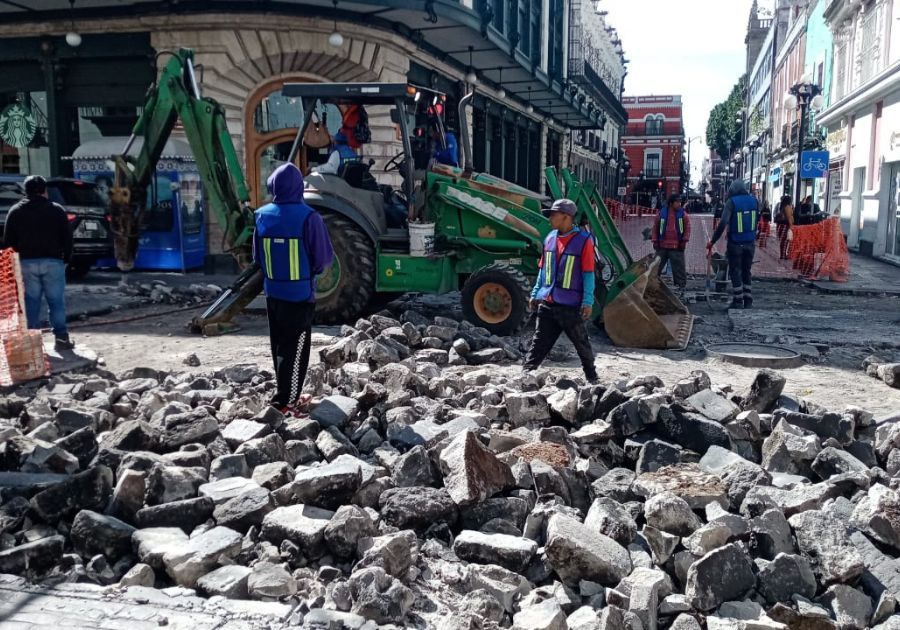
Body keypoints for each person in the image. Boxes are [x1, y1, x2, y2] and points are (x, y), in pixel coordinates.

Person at [254, 163, 334, 415]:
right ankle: (287, 402)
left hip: (273, 293)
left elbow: (257, 257)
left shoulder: (261, 215)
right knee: (296, 349)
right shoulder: (309, 217)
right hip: (300, 296)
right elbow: (323, 258)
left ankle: (284, 394)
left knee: (279, 345)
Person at [523, 198, 598, 383]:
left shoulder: (584, 241)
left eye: (553, 215)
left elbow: (588, 273)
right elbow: (543, 269)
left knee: (581, 343)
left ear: (566, 217)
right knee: (539, 342)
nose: (549, 219)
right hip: (548, 301)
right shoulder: (549, 238)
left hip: (570, 306)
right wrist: (536, 293)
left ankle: (592, 378)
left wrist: (587, 301)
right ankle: (526, 375)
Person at [2, 175, 74, 350]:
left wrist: (12, 266)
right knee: (56, 302)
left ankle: (32, 344)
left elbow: (8, 242)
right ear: (45, 191)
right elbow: (67, 238)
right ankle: (61, 339)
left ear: (25, 191)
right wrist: (66, 259)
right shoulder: (57, 210)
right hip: (53, 262)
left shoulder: (15, 211)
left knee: (31, 303)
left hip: (26, 263)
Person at [707, 180, 758, 309]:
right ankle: (748, 299)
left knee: (735, 271)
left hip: (735, 243)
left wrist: (713, 241)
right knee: (746, 271)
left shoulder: (732, 202)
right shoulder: (755, 201)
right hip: (750, 242)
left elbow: (723, 223)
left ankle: (738, 300)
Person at [651, 194, 691, 294]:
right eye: (677, 202)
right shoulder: (661, 213)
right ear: (671, 203)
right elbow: (655, 227)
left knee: (679, 268)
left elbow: (687, 228)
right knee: (656, 267)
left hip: (677, 246)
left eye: (680, 202)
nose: (679, 204)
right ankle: (651, 284)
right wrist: (655, 240)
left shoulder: (683, 214)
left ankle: (681, 286)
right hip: (662, 245)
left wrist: (684, 240)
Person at [774, 195, 794, 260]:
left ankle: (782, 254)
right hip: (785, 226)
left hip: (782, 225)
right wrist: (791, 226)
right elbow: (789, 217)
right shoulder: (787, 207)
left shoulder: (782, 206)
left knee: (783, 241)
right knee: (785, 241)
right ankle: (783, 255)